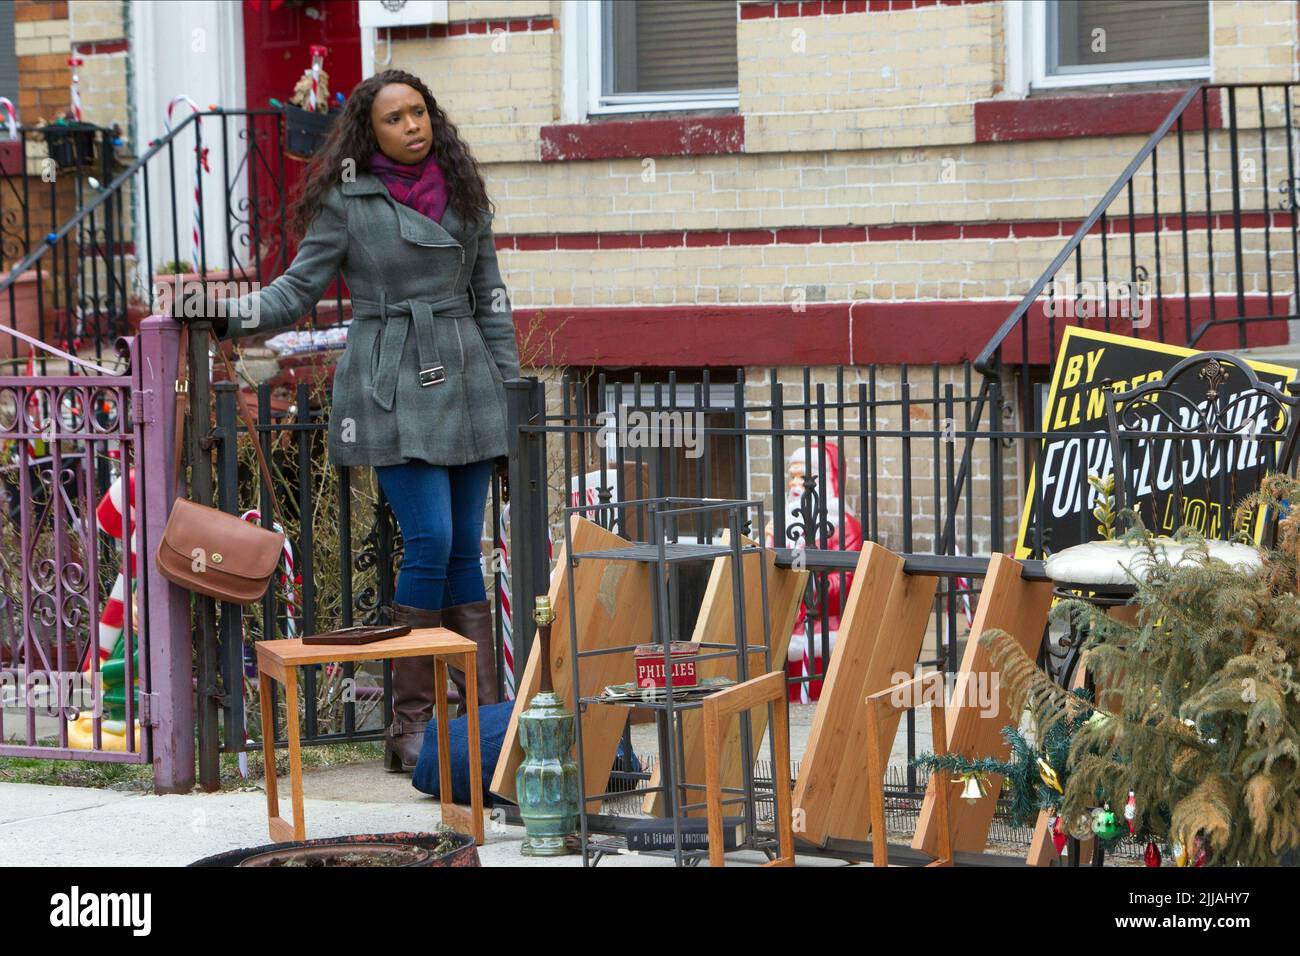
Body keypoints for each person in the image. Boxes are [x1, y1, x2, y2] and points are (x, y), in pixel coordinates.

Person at [184, 69, 520, 773]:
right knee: (429, 539)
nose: (412, 126)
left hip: (468, 376)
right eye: (394, 119)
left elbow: (491, 296)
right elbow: (298, 288)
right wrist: (226, 313)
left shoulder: (463, 190)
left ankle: (487, 722)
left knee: (465, 548)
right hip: (393, 376)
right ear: (370, 132)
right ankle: (412, 725)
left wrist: (509, 391)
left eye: (419, 113)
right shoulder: (348, 199)